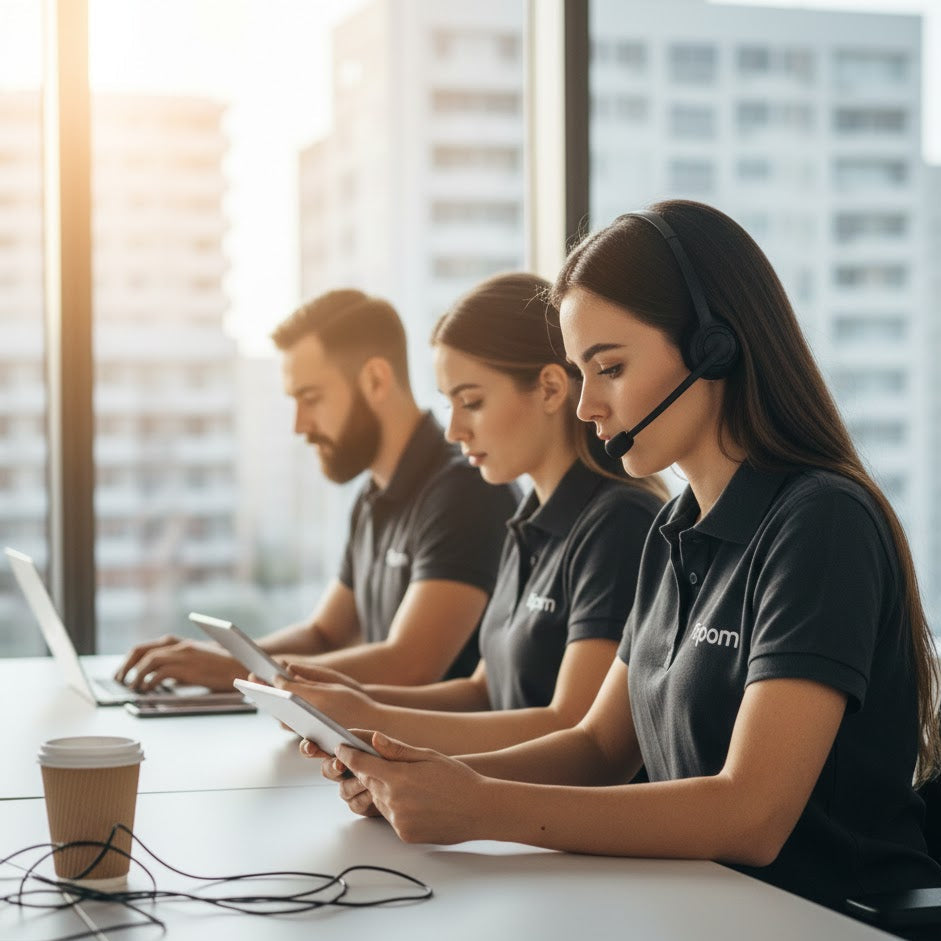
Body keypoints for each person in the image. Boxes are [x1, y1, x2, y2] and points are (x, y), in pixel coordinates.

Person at [313, 201, 941, 916]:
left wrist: (481, 808)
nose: (585, 407)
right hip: (699, 908)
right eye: (580, 373)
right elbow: (596, 747)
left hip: (825, 918)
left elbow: (750, 813)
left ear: (714, 348)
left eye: (608, 367)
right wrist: (423, 779)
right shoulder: (673, 527)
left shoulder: (819, 521)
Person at [270, 272, 666, 754]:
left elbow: (572, 726)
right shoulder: (528, 523)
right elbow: (484, 691)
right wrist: (345, 702)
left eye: (471, 402)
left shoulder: (618, 523)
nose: (454, 429)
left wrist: (369, 718)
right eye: (449, 404)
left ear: (549, 389)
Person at [115, 289, 518, 692]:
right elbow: (325, 634)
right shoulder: (372, 498)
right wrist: (216, 658)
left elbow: (409, 665)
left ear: (376, 380)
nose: (299, 425)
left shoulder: (465, 490)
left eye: (312, 399)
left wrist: (238, 673)